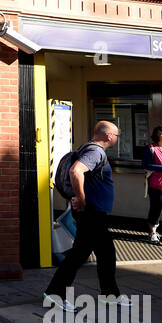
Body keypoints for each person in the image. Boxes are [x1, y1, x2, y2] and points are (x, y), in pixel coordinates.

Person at [43, 121, 128, 311]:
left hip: (93, 212)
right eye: (116, 134)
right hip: (91, 212)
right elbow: (76, 171)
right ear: (108, 136)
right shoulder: (96, 152)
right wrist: (81, 198)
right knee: (81, 255)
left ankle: (110, 295)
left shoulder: (87, 148)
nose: (116, 138)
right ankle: (55, 294)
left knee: (103, 254)